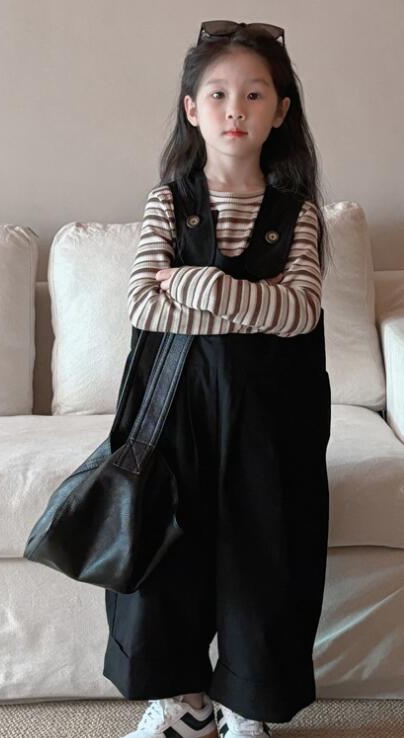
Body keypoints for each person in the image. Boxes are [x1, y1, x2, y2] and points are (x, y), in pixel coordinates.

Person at [102, 19, 333, 738]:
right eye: (219, 94)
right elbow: (143, 304)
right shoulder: (168, 202)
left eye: (255, 95)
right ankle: (183, 705)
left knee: (262, 559)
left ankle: (245, 707)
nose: (236, 109)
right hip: (171, 412)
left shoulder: (297, 214)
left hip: (269, 418)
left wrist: (202, 285)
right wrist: (250, 305)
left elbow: (299, 311)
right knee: (161, 559)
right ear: (192, 109)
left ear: (280, 111)